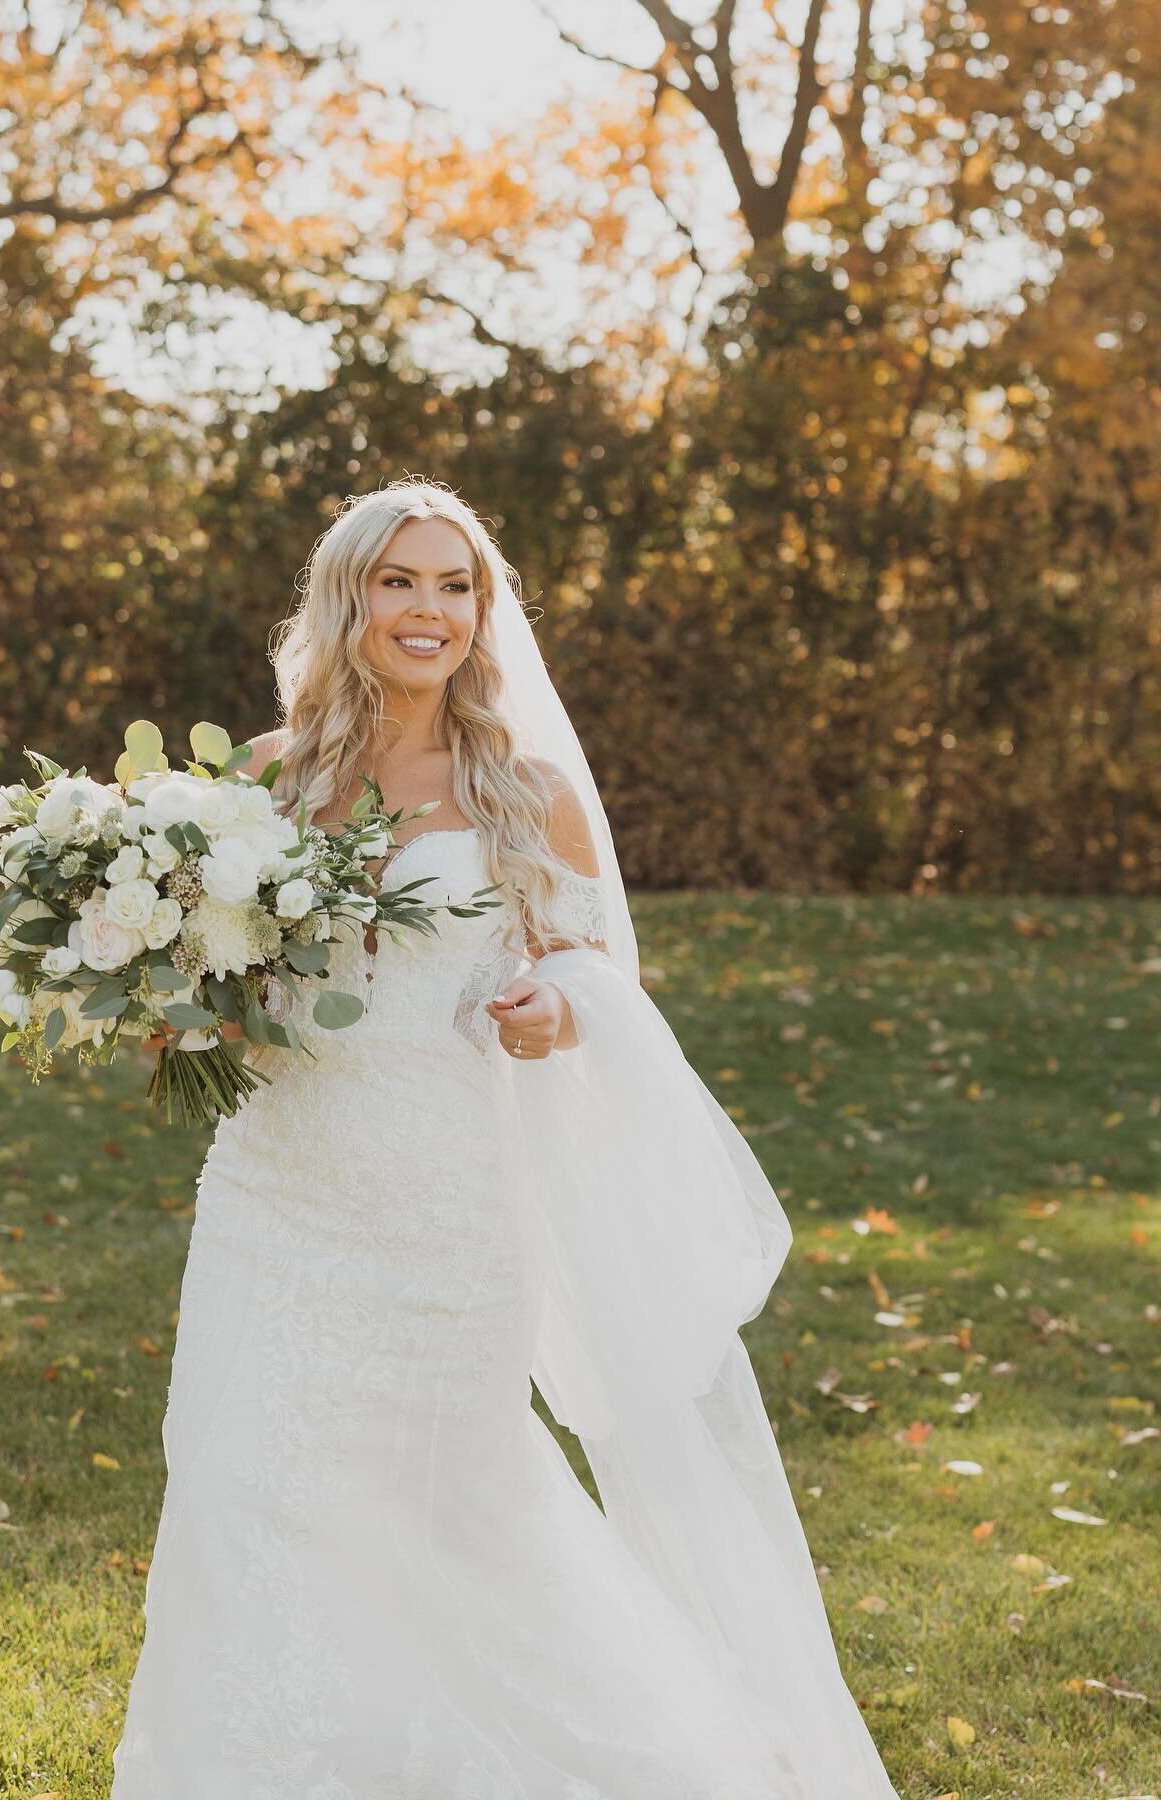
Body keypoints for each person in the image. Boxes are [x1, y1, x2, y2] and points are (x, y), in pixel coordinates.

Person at [110, 478, 902, 1797]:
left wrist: (554, 1003)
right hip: (276, 1194)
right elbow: (222, 995)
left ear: (482, 613)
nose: (429, 610)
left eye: (455, 585)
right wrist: (166, 1002)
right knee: (239, 1482)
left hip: (446, 1211)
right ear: (347, 596)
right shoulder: (259, 779)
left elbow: (593, 967)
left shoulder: (523, 788)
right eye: (400, 581)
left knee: (450, 1514)